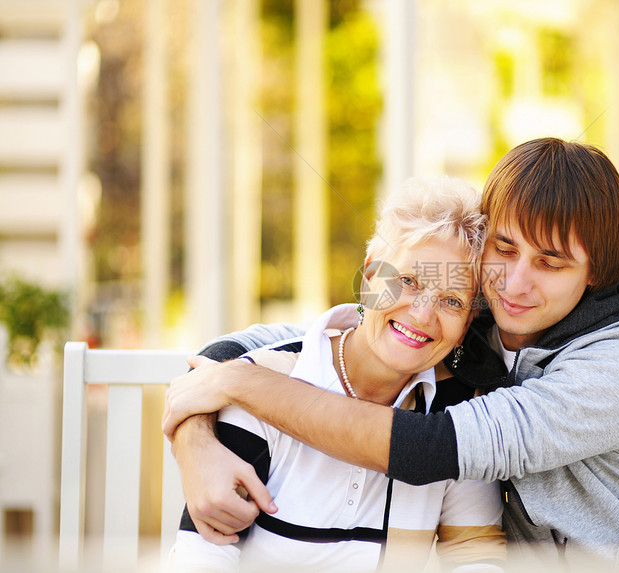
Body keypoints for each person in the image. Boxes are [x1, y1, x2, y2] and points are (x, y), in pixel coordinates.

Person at [164, 138, 619, 572]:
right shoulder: (474, 317)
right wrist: (195, 442)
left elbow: (430, 449)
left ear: (594, 271)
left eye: (550, 263)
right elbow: (283, 340)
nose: (516, 282)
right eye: (504, 248)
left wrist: (242, 385)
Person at [168, 177, 506, 572]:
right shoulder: (261, 384)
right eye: (408, 282)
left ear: (467, 323)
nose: (422, 314)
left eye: (451, 300)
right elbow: (203, 558)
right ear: (368, 280)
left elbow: (475, 556)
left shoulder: (456, 411)